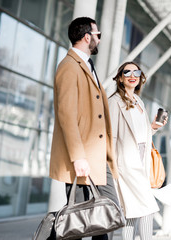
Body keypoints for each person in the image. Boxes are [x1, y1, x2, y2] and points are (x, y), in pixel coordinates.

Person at [49, 17, 119, 240]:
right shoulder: (69, 66)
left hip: (96, 155)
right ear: (87, 37)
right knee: (78, 218)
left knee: (106, 211)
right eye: (98, 35)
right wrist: (78, 157)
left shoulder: (86, 64)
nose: (99, 39)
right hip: (81, 156)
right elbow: (66, 115)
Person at [108, 62, 168, 240]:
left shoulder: (139, 101)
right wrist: (111, 168)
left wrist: (154, 127)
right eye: (127, 72)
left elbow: (141, 134)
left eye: (137, 72)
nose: (132, 75)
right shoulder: (114, 102)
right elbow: (110, 136)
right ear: (120, 78)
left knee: (132, 213)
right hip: (125, 165)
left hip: (142, 162)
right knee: (148, 207)